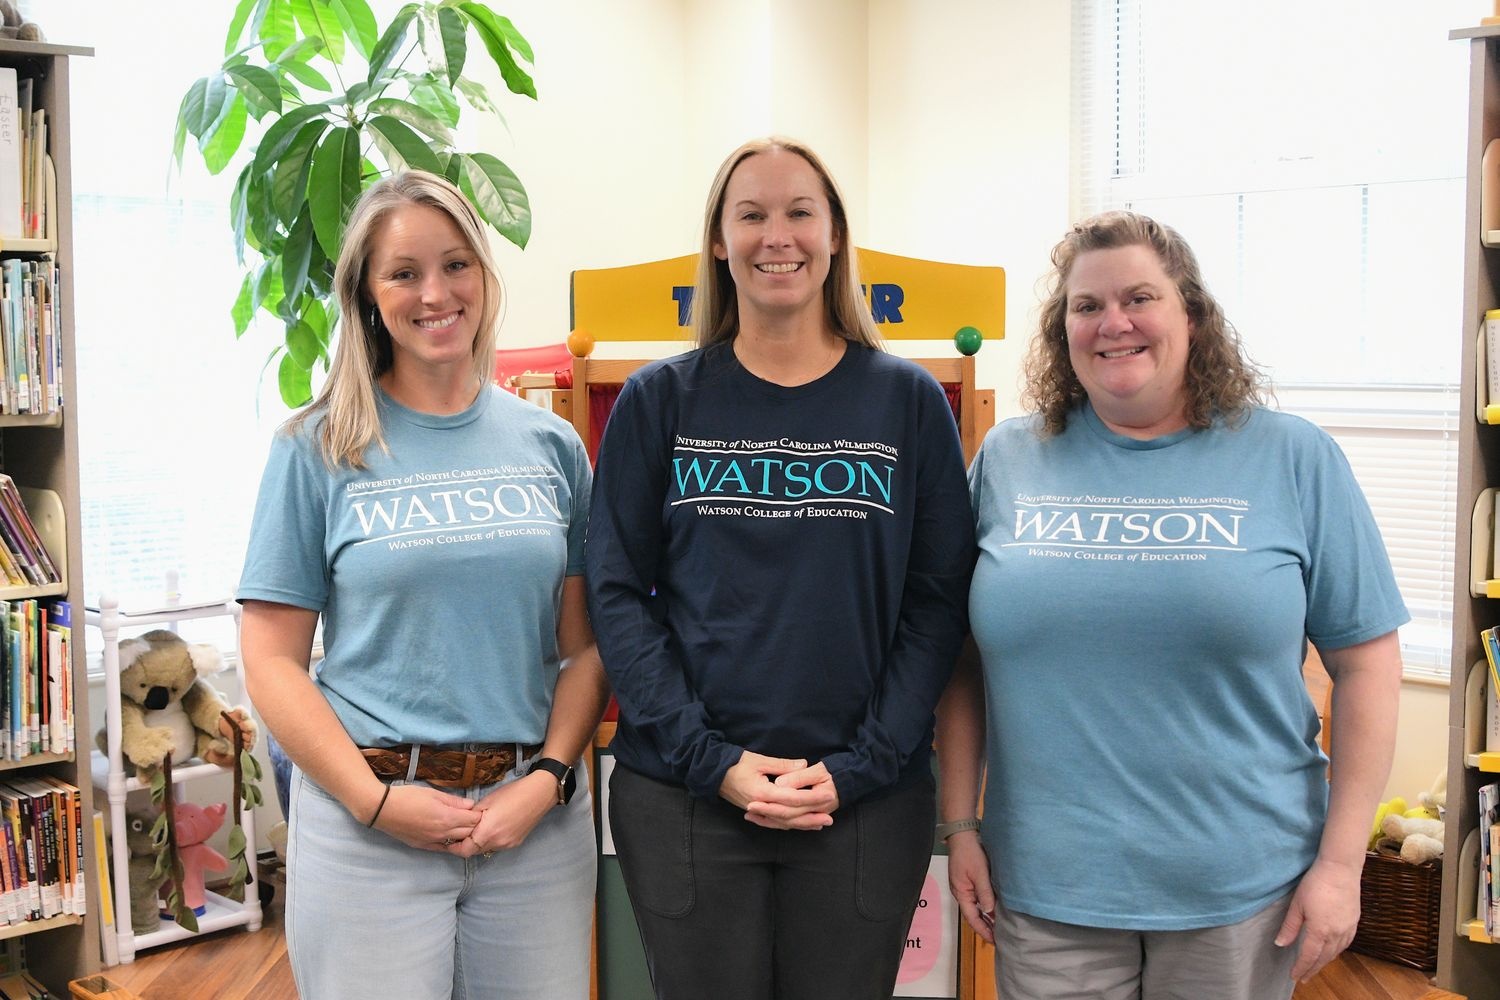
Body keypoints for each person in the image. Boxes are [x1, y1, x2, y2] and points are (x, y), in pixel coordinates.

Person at [936, 209, 1408, 1000]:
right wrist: (960, 826)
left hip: (1243, 891)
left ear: (1191, 315)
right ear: (1063, 332)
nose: (1112, 323)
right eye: (1086, 307)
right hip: (1051, 886)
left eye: (1139, 298)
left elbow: (1368, 667)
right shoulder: (1009, 460)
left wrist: (1339, 863)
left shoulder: (1293, 458)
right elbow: (962, 663)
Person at [586, 136, 976, 1000]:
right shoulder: (661, 400)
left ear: (835, 234)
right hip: (684, 798)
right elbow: (617, 593)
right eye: (751, 214)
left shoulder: (907, 402)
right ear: (719, 242)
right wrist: (709, 758)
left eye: (801, 212)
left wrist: (862, 764)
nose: (778, 236)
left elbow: (939, 602)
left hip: (862, 802)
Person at [237, 170, 609, 1000]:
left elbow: (585, 652)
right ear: (369, 295)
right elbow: (271, 663)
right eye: (403, 272)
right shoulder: (316, 448)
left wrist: (547, 780)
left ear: (484, 274)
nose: (435, 293)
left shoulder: (552, 447)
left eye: (456, 265)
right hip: (371, 828)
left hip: (533, 834)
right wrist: (374, 802)